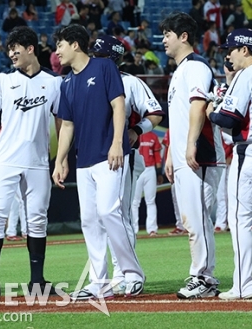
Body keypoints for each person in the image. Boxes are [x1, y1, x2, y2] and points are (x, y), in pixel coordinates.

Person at [52, 25, 145, 300]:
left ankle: (132, 274)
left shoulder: (104, 68)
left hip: (109, 155)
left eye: (60, 45)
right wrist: (60, 161)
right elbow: (67, 125)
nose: (57, 52)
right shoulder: (67, 82)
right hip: (84, 160)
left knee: (109, 212)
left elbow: (119, 105)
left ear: (75, 45)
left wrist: (118, 143)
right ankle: (99, 281)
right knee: (90, 220)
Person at [0, 26, 62, 296]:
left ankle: (37, 281)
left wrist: (61, 159)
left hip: (38, 162)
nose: (11, 53)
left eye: (16, 48)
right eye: (9, 49)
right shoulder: (3, 80)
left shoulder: (54, 82)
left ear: (30, 49)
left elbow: (61, 123)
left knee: (37, 220)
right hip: (5, 160)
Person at [206, 28, 252, 300]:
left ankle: (243, 284)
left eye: (232, 50)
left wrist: (212, 113)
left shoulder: (247, 74)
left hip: (248, 153)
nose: (229, 55)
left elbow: (230, 119)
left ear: (245, 50)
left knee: (240, 220)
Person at [90, 35, 164, 295]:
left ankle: (124, 273)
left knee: (119, 214)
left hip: (124, 156)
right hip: (92, 158)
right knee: (98, 218)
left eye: (100, 56)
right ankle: (105, 277)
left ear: (113, 59)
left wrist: (136, 129)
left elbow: (154, 112)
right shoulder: (87, 80)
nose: (95, 60)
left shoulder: (130, 82)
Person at [160, 12, 225, 299]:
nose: (163, 40)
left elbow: (199, 107)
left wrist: (189, 145)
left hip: (201, 155)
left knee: (197, 219)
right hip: (185, 155)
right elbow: (179, 118)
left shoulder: (196, 66)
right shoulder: (180, 71)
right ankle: (201, 276)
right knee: (191, 220)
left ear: (183, 36)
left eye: (167, 34)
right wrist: (172, 154)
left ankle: (204, 277)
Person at [132, 131, 163, 237]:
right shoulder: (134, 133)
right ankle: (133, 229)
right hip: (137, 169)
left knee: (150, 201)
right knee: (135, 202)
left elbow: (157, 156)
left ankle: (152, 229)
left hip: (150, 169)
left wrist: (159, 173)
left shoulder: (153, 136)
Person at [163, 130, 187, 235]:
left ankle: (190, 225)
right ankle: (180, 225)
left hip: (187, 163)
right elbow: (168, 146)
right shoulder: (171, 129)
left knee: (188, 197)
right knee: (176, 196)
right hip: (175, 164)